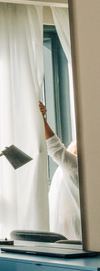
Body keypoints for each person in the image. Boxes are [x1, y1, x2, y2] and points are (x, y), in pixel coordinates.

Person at [40, 101, 81, 241]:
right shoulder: (71, 169)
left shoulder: (77, 166)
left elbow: (55, 148)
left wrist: (42, 119)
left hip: (73, 239)